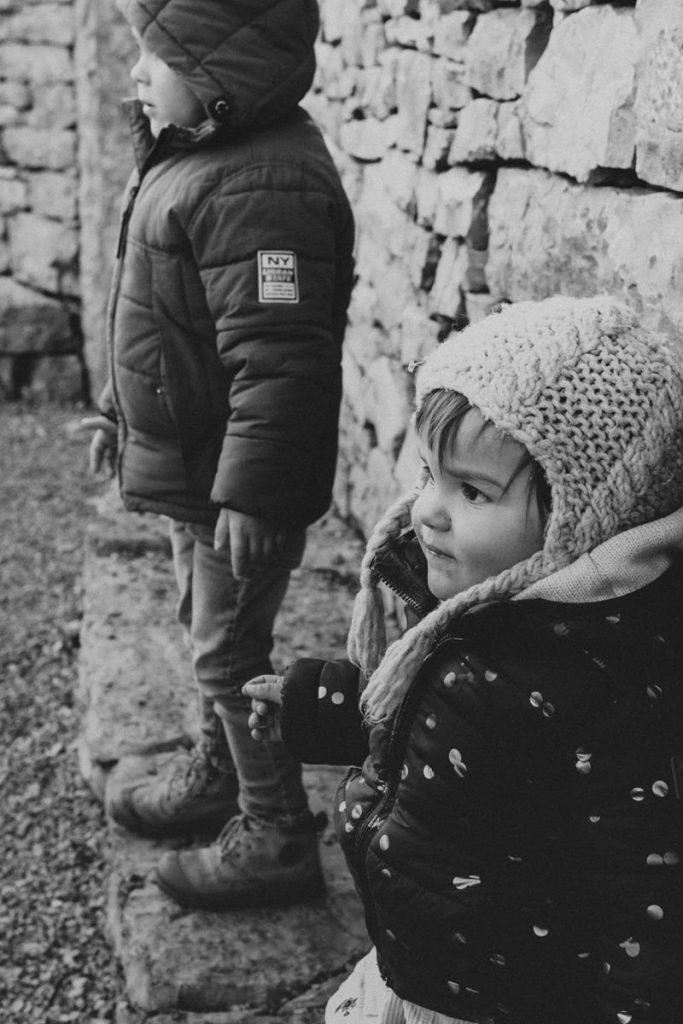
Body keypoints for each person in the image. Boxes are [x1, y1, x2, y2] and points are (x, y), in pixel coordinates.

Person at [245, 295, 683, 1023]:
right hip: (428, 961)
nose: (426, 510)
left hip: (503, 997)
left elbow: (646, 906)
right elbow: (459, 748)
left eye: (471, 490)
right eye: (429, 475)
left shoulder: (606, 690)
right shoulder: (487, 617)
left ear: (584, 519)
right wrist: (328, 707)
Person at [83, 0, 355, 910]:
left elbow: (278, 359)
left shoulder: (260, 184)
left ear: (219, 76)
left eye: (155, 57)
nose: (135, 74)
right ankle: (218, 775)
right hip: (198, 471)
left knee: (231, 656)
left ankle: (277, 834)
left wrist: (258, 496)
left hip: (234, 485)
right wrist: (122, 419)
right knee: (210, 638)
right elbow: (170, 326)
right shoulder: (202, 156)